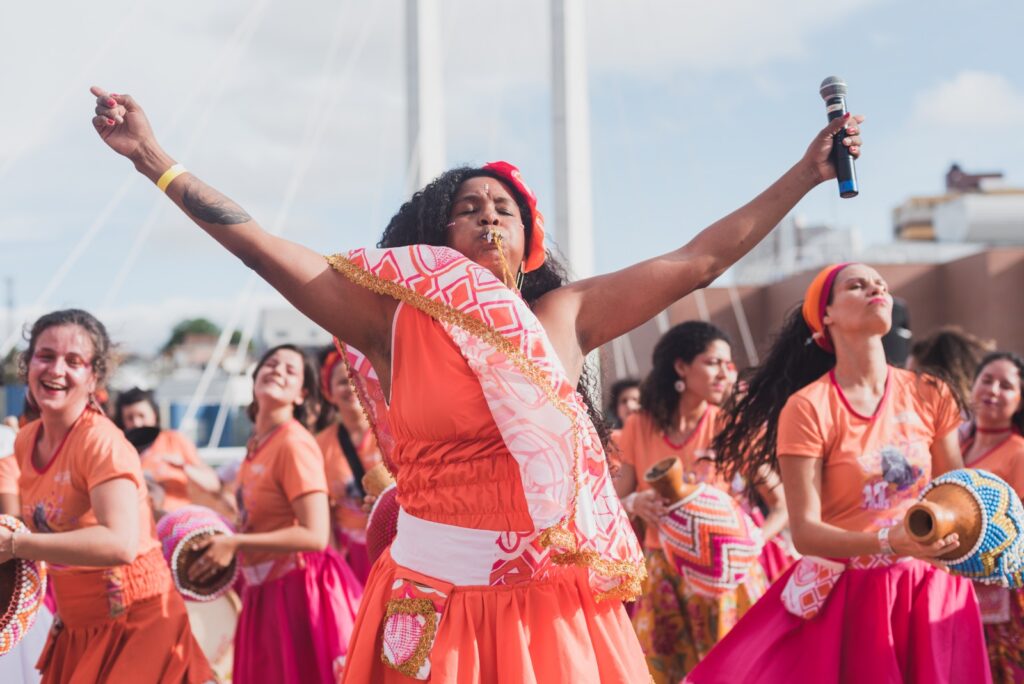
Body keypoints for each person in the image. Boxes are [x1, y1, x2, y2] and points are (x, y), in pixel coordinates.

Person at [89, 84, 863, 682]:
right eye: (468, 208)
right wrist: (156, 159)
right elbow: (260, 247)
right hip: (432, 598)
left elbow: (700, 262)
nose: (490, 217)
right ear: (436, 237)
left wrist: (806, 173)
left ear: (529, 245)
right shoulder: (387, 320)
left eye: (506, 209)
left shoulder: (565, 315)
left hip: (548, 608)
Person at [685, 263, 990, 683]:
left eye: (879, 283)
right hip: (857, 598)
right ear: (825, 315)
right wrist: (889, 541)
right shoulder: (808, 407)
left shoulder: (930, 393)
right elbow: (806, 532)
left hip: (931, 589)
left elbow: (956, 494)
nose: (875, 288)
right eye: (857, 285)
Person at [0, 309, 211, 683]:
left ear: (94, 375)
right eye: (45, 356)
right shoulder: (25, 441)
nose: (56, 370)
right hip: (77, 624)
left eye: (74, 361)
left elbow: (120, 543)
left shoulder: (101, 442)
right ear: (27, 364)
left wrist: (17, 545)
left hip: (134, 623)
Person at [613, 321, 787, 682]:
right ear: (681, 367)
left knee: (733, 672)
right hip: (662, 569)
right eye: (713, 362)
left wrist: (752, 541)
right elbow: (614, 499)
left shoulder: (732, 425)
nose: (725, 372)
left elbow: (782, 504)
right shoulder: (638, 426)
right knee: (657, 675)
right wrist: (634, 502)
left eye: (728, 364)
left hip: (725, 574)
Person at [186, 344, 361, 683]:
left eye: (290, 370)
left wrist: (235, 544)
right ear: (255, 379)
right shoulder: (257, 444)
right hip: (264, 590)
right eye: (271, 363)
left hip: (297, 591)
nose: (278, 370)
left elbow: (313, 535)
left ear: (302, 395)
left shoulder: (293, 443)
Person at [961, 352, 1024, 683]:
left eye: (1006, 385)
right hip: (956, 587)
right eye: (987, 380)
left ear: (1020, 400)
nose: (994, 390)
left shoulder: (1019, 452)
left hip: (1006, 598)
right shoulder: (954, 446)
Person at [314, 347, 380, 583]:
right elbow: (325, 511)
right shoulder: (319, 445)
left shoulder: (391, 433)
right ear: (328, 392)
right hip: (348, 553)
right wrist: (333, 561)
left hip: (392, 546)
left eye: (357, 378)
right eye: (343, 381)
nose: (351, 386)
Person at [113, 387, 222, 514]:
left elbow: (213, 485)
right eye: (130, 418)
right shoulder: (121, 448)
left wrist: (184, 467)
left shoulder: (174, 440)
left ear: (154, 414)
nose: (137, 423)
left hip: (178, 518)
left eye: (141, 415)